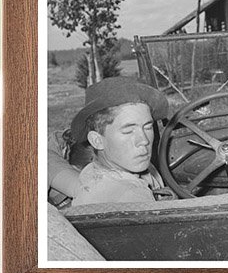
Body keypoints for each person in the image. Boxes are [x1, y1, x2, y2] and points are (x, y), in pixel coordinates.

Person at [58, 77, 171, 208]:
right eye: (128, 131)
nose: (144, 140)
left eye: (147, 127)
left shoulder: (99, 170)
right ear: (97, 140)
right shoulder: (131, 197)